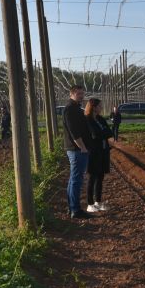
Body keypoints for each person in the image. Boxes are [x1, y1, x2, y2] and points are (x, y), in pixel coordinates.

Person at [63, 86, 90, 219]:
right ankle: (75, 210)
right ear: (72, 94)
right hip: (76, 150)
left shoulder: (75, 108)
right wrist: (82, 147)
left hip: (76, 149)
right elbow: (74, 131)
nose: (81, 96)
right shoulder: (70, 109)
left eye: (82, 94)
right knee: (76, 180)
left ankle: (72, 208)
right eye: (79, 94)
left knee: (74, 179)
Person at [83, 98, 113, 213]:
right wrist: (103, 133)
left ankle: (98, 202)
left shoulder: (100, 119)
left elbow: (109, 132)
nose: (101, 107)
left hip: (103, 151)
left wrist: (103, 133)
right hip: (93, 152)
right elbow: (95, 135)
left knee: (100, 177)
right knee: (92, 177)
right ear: (94, 107)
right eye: (100, 106)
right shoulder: (88, 119)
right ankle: (90, 204)